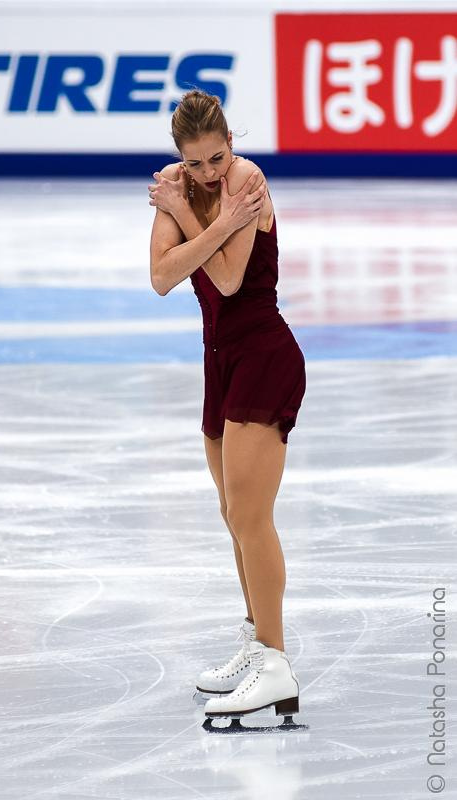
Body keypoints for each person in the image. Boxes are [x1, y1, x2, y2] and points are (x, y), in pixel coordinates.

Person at [148, 89, 306, 726]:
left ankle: (276, 662)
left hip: (265, 355)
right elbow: (161, 276)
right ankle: (255, 638)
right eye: (198, 162)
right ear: (181, 158)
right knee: (230, 513)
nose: (213, 171)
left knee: (250, 512)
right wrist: (199, 215)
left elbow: (232, 277)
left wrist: (187, 213)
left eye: (219, 156)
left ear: (231, 144)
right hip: (219, 362)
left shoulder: (248, 179)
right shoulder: (183, 185)